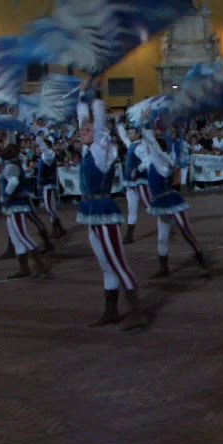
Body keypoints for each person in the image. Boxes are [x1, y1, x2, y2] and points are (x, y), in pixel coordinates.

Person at [77, 92, 146, 330]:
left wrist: (94, 99)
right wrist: (81, 98)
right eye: (82, 131)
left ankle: (136, 312)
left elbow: (96, 126)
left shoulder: (101, 152)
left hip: (104, 210)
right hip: (91, 212)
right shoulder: (88, 153)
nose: (82, 133)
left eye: (87, 131)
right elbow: (84, 120)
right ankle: (111, 311)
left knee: (118, 262)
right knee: (106, 265)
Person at [137, 127, 207, 278]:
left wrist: (144, 124)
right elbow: (144, 157)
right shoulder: (152, 159)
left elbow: (151, 143)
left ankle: (202, 263)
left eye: (151, 147)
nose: (148, 148)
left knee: (185, 231)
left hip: (171, 201)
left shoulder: (161, 161)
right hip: (161, 204)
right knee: (162, 238)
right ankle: (164, 268)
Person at [0, 143, 51, 280]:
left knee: (22, 235)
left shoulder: (11, 165)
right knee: (16, 237)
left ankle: (40, 264)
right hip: (15, 204)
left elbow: (13, 182)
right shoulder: (14, 163)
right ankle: (24, 268)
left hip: (16, 204)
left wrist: (7, 195)